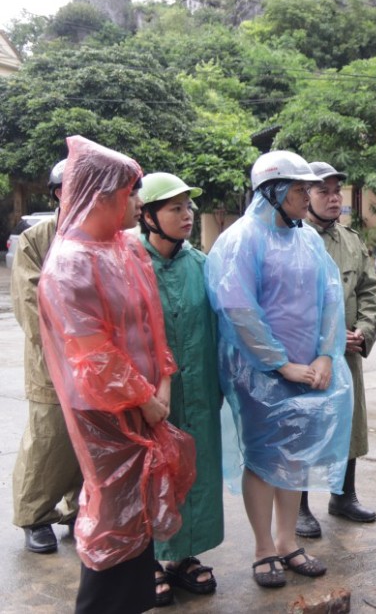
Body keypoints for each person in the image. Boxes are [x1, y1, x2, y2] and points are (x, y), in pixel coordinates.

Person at [37, 136, 196, 614]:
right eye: (131, 193)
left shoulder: (122, 250)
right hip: (106, 414)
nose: (138, 203)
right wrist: (147, 400)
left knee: (138, 517)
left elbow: (151, 325)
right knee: (112, 515)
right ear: (103, 195)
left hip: (145, 404)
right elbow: (93, 355)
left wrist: (162, 382)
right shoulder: (69, 264)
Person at [205, 150, 353, 589]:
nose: (308, 196)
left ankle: (288, 542)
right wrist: (281, 364)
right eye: (300, 189)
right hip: (260, 374)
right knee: (264, 459)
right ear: (272, 191)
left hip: (309, 369)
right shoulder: (240, 240)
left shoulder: (307, 238)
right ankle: (262, 547)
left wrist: (326, 354)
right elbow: (238, 311)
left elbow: (331, 298)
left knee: (293, 458)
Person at [137, 172, 224, 605]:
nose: (187, 215)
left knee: (196, 470)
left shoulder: (201, 266)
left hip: (200, 392)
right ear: (148, 215)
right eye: (175, 208)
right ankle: (150, 558)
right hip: (151, 398)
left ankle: (185, 554)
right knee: (152, 475)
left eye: (188, 207)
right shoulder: (129, 265)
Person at [296, 162, 376, 538]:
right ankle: (298, 506)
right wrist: (326, 341)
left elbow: (368, 290)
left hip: (348, 354)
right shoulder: (293, 239)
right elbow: (287, 304)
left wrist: (362, 331)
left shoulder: (350, 240)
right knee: (303, 428)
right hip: (306, 358)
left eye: (337, 192)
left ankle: (343, 495)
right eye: (324, 192)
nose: (334, 199)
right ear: (305, 197)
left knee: (348, 423)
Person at [11, 159, 84, 554]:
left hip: (95, 361)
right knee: (49, 435)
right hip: (51, 360)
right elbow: (29, 300)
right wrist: (70, 345)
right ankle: (35, 515)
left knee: (89, 438)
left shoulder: (97, 234)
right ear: (59, 193)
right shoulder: (38, 237)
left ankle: (79, 509)